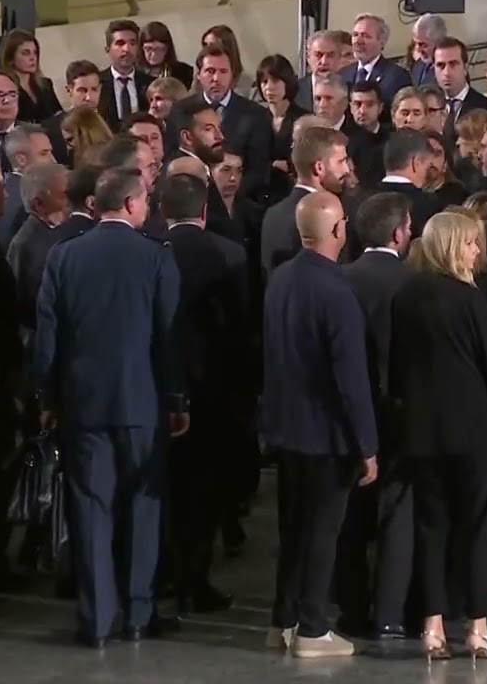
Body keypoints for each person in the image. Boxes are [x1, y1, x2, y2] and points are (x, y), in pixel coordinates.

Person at [32, 166, 187, 648]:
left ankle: (97, 619)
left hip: (83, 405)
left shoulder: (64, 257)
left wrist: (48, 399)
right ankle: (139, 613)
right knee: (143, 506)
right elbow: (170, 336)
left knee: (91, 508)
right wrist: (177, 398)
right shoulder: (156, 258)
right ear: (135, 203)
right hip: (143, 403)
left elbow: (47, 337)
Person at [389, 210, 487, 659]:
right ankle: (477, 628)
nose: (478, 252)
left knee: (431, 527)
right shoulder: (470, 299)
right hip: (475, 432)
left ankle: (432, 626)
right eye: (471, 244)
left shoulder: (405, 296)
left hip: (423, 430)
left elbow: (396, 370)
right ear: (453, 247)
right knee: (477, 527)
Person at [260, 190, 377, 659]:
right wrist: (367, 444)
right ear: (336, 230)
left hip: (286, 429)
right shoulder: (337, 290)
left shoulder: (281, 278)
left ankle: (282, 619)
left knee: (294, 529)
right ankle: (312, 627)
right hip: (327, 436)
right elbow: (351, 378)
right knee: (323, 531)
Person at [161, 173, 246, 615]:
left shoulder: (151, 253)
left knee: (165, 488)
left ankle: (161, 575)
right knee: (204, 493)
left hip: (161, 392)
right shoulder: (229, 256)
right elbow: (241, 332)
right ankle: (195, 579)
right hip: (215, 393)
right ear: (206, 210)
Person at [334, 192, 415, 639]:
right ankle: (390, 612)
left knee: (351, 513)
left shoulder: (340, 279)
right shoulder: (415, 281)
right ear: (399, 232)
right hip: (401, 414)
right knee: (397, 512)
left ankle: (350, 608)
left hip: (349, 413)